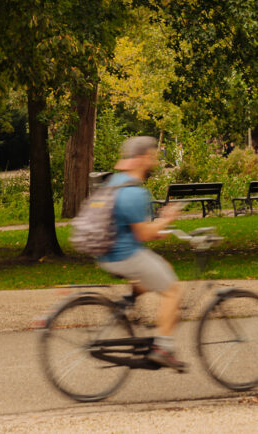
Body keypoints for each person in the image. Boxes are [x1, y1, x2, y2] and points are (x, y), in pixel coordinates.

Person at [95, 136, 185, 370]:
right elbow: (142, 235)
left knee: (161, 274)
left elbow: (131, 227)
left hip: (107, 252)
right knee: (173, 290)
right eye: (152, 156)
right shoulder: (135, 192)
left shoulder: (116, 182)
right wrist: (166, 220)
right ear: (143, 158)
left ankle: (128, 301)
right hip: (125, 255)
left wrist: (155, 232)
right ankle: (162, 348)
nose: (154, 161)